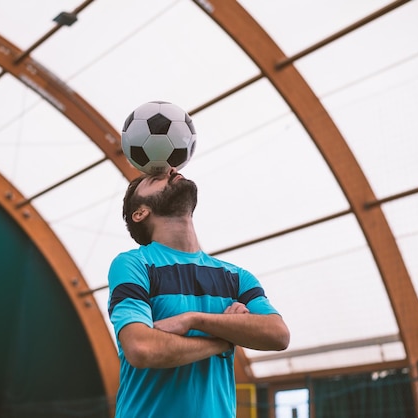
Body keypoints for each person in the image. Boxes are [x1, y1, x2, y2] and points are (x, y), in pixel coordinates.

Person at [107, 167, 290, 417]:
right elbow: (141, 347)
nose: (171, 170)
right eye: (155, 178)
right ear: (140, 213)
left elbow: (278, 336)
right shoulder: (133, 264)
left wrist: (192, 320)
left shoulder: (236, 276)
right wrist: (224, 340)